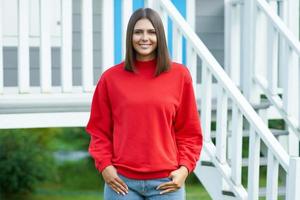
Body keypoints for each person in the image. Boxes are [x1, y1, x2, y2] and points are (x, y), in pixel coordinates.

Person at [86, 8, 203, 200]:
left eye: (151, 32)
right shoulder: (110, 79)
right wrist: (105, 166)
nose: (144, 38)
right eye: (138, 32)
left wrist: (184, 169)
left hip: (166, 183)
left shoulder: (180, 76)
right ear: (130, 36)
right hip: (121, 183)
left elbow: (189, 132)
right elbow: (99, 131)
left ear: (160, 36)